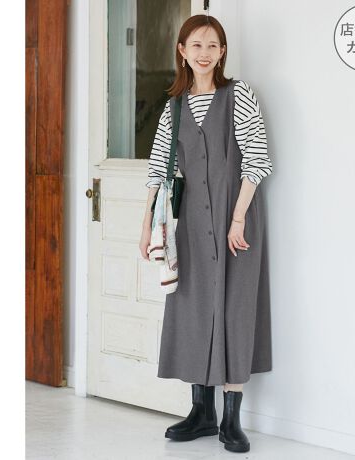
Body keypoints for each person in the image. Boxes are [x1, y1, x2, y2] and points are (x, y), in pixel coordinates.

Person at [139, 14, 273, 454]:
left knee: (235, 309)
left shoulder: (239, 95)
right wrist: (147, 226)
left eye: (213, 45)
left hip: (239, 218)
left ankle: (231, 418)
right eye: (196, 45)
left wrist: (238, 218)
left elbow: (258, 159)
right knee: (194, 308)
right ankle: (202, 412)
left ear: (222, 52)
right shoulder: (174, 107)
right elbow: (159, 170)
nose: (204, 53)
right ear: (182, 51)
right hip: (193, 225)